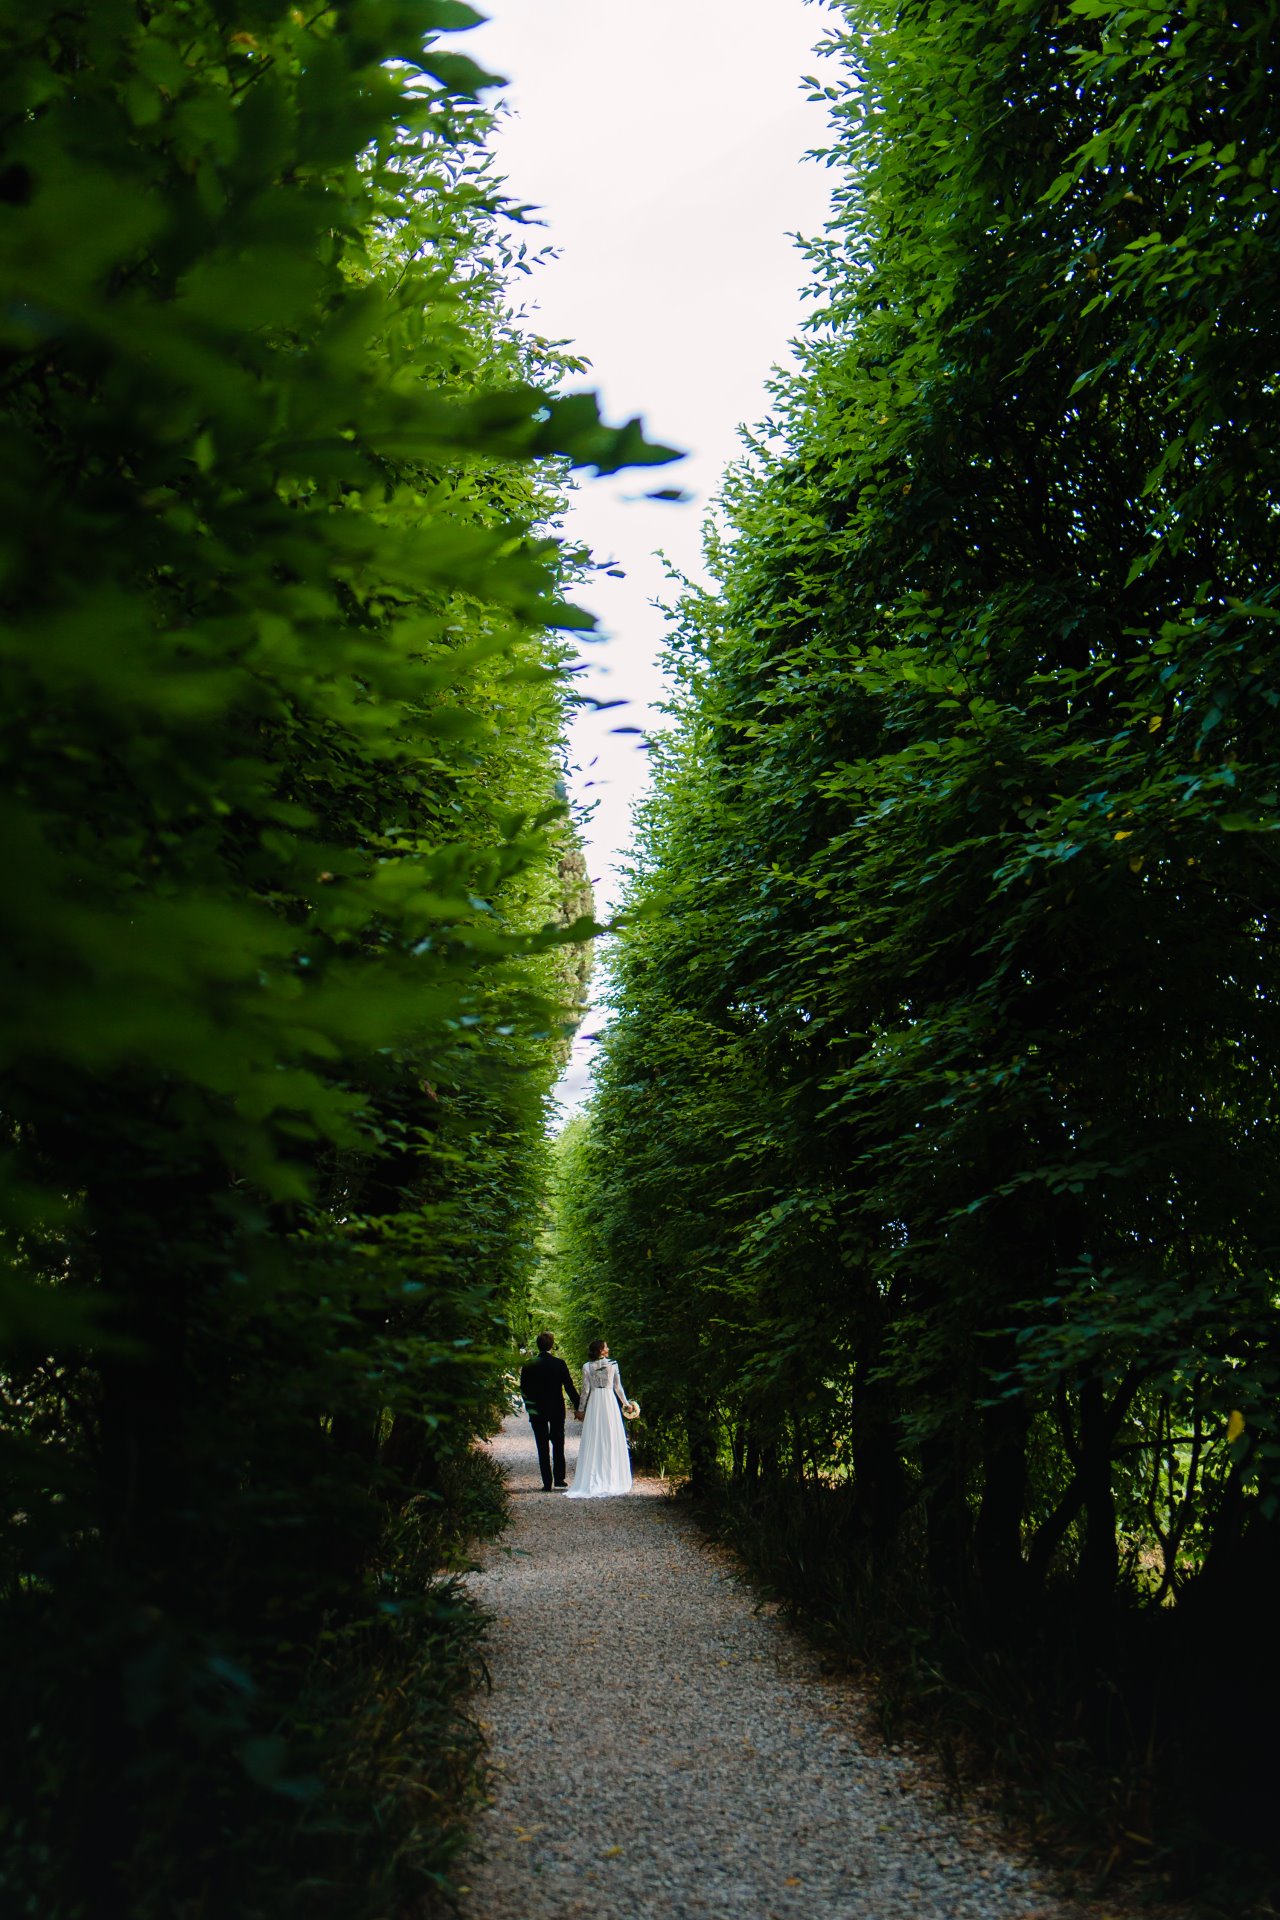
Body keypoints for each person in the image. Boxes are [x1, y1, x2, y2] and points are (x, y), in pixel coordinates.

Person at [565, 1338, 634, 1499]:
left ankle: (594, 1474)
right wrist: (625, 1403)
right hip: (609, 1401)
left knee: (595, 1436)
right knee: (610, 1435)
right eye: (606, 1347)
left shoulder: (587, 1366)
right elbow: (618, 1387)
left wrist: (581, 1410)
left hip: (596, 1402)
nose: (608, 1348)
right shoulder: (613, 1365)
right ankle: (611, 1476)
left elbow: (585, 1391)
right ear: (601, 1350)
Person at [519, 1331, 579, 1491]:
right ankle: (559, 1478)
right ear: (552, 1345)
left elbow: (523, 1389)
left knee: (542, 1444)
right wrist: (580, 1405)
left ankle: (547, 1482)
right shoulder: (559, 1364)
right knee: (558, 1442)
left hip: (538, 1410)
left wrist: (529, 1406)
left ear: (538, 1345)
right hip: (556, 1408)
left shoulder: (529, 1365)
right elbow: (569, 1387)